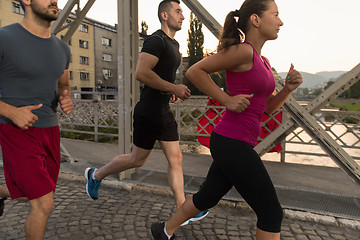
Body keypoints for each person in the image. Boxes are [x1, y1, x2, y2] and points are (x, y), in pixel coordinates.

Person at [150, 0, 303, 239]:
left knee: (206, 197)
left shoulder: (263, 62)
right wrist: (226, 99)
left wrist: (288, 89)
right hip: (232, 142)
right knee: (271, 213)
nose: (280, 21)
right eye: (275, 15)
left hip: (234, 141)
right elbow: (194, 71)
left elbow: (267, 109)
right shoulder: (242, 51)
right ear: (256, 19)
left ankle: (164, 230)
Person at [84, 0, 208, 224]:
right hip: (149, 111)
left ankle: (182, 210)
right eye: (178, 11)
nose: (183, 16)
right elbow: (141, 73)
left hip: (163, 108)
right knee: (136, 160)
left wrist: (169, 92)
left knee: (176, 158)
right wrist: (173, 87)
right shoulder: (156, 40)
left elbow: (159, 78)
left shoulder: (175, 45)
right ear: (164, 15)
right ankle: (95, 175)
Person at [0, 0, 73, 238]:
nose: (55, 1)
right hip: (15, 131)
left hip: (50, 130)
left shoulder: (63, 49)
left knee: (31, 194)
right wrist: (12, 112)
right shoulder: (4, 38)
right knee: (43, 203)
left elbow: (64, 84)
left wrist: (65, 98)